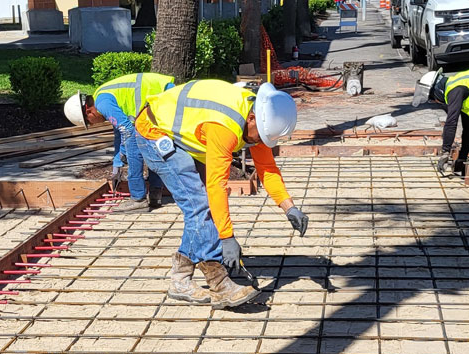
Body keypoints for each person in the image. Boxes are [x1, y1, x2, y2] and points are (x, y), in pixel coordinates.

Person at [134, 80, 308, 309]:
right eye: (260, 136)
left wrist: (289, 207)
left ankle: (180, 280)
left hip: (177, 133)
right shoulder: (225, 127)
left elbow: (267, 168)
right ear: (252, 119)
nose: (259, 142)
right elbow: (216, 185)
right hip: (153, 132)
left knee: (201, 209)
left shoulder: (257, 119)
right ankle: (220, 285)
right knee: (199, 205)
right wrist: (226, 238)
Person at [64, 72, 175, 211]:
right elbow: (118, 132)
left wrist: (124, 152)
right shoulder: (101, 97)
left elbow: (127, 130)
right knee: (151, 143)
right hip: (163, 94)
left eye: (89, 123)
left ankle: (138, 198)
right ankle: (155, 193)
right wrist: (117, 163)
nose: (93, 125)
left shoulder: (103, 104)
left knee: (132, 146)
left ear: (88, 112)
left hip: (165, 95)